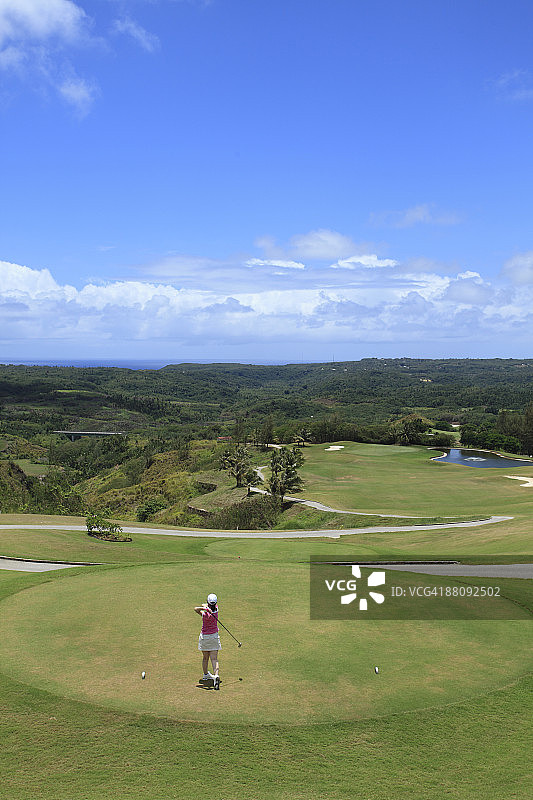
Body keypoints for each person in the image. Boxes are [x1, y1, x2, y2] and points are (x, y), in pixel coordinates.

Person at [194, 593, 221, 689]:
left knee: (205, 658)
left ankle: (205, 675)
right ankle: (216, 675)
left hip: (205, 637)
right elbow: (208, 605)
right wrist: (207, 607)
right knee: (214, 658)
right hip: (214, 637)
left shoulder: (205, 614)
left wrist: (205, 608)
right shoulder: (216, 610)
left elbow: (196, 609)